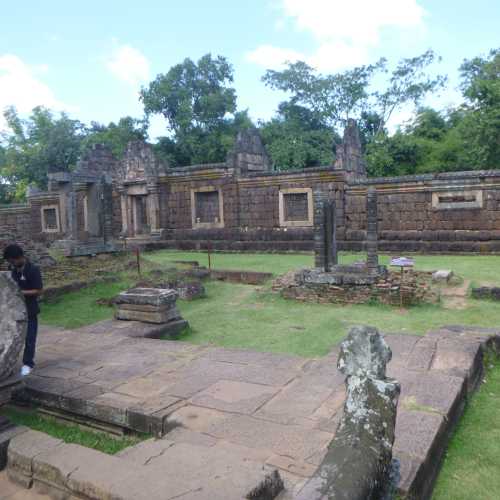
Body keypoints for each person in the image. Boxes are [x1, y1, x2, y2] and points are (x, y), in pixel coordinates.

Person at [2, 244, 43, 376]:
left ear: (20, 257)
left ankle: (28, 363)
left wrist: (19, 292)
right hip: (14, 311)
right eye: (10, 262)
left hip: (29, 310)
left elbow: (38, 290)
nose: (11, 263)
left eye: (13, 261)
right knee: (13, 337)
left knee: (30, 339)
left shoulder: (33, 270)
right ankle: (9, 362)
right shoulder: (12, 270)